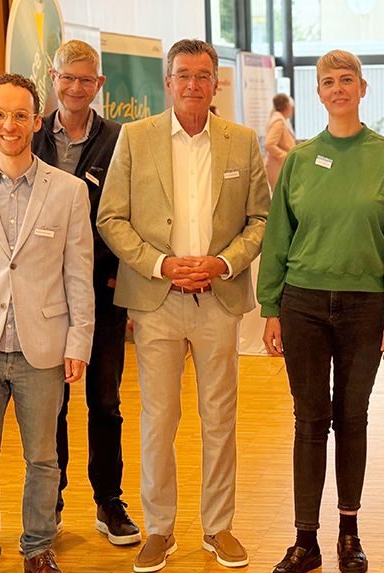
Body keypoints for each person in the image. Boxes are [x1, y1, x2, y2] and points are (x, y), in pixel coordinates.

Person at [97, 38, 269, 573]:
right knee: (158, 419)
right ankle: (159, 529)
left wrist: (221, 263)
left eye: (202, 75)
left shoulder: (242, 141)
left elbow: (260, 220)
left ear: (216, 83)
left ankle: (218, 526)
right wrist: (161, 264)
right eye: (183, 75)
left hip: (218, 298)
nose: (193, 84)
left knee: (220, 417)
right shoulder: (135, 137)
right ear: (168, 82)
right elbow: (111, 217)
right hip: (158, 301)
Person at [258, 49, 384, 573]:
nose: (338, 89)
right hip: (302, 304)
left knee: (352, 418)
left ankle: (349, 533)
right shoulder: (301, 159)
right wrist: (270, 306)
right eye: (328, 82)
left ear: (362, 88)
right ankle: (305, 541)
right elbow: (278, 236)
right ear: (319, 93)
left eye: (347, 80)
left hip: (365, 308)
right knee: (309, 420)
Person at [0, 73, 94, 573]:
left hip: (42, 347)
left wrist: (79, 343)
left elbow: (79, 275)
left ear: (36, 122)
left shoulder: (69, 191)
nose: (10, 124)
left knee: (43, 459)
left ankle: (38, 548)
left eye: (21, 115)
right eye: (0, 114)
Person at [31, 39, 140, 545]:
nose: (75, 87)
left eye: (85, 79)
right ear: (53, 79)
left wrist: (119, 277)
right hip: (42, 296)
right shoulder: (32, 135)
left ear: (99, 84)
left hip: (102, 291)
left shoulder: (120, 139)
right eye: (67, 77)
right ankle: (50, 501)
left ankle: (108, 501)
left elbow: (134, 211)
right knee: (49, 403)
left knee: (105, 400)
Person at [265, 93, 296, 189]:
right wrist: (286, 157)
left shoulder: (281, 120)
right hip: (277, 167)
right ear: (287, 106)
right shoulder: (278, 121)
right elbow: (269, 144)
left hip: (279, 166)